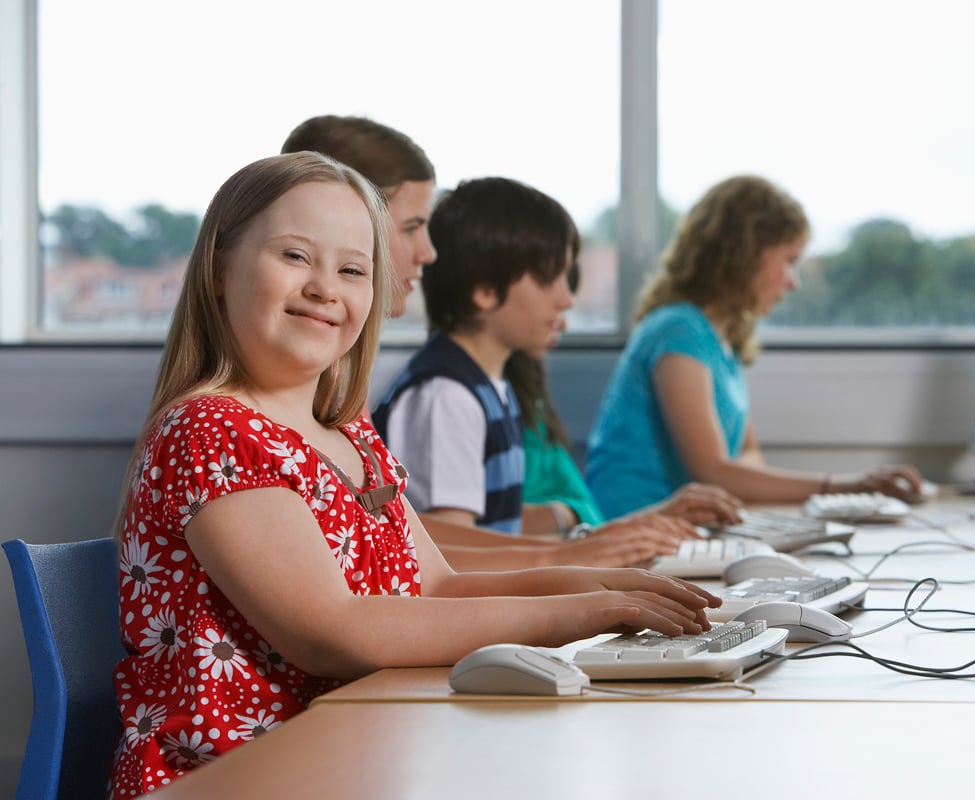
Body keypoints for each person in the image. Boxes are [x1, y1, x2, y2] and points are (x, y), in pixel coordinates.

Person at [107, 152, 718, 797]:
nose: (324, 287)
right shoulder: (212, 430)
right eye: (293, 256)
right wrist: (568, 615)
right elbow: (330, 631)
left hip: (357, 755)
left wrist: (603, 587)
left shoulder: (351, 435)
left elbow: (437, 590)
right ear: (220, 269)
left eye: (352, 269)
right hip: (239, 776)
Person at [281, 114, 706, 568]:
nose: (429, 252)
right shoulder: (440, 392)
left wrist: (585, 543)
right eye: (411, 227)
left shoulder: (349, 383)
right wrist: (570, 556)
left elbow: (403, 532)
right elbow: (420, 550)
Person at [375, 177, 720, 543]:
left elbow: (495, 529)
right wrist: (585, 560)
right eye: (548, 280)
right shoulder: (445, 396)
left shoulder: (491, 386)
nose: (566, 299)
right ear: (485, 291)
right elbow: (457, 553)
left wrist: (627, 532)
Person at [585, 175, 925, 519]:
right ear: (745, 255)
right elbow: (714, 471)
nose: (793, 282)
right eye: (789, 260)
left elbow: (747, 457)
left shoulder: (720, 340)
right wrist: (844, 486)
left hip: (684, 529)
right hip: (632, 530)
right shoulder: (678, 330)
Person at [505, 267, 744, 532]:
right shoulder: (679, 330)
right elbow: (491, 529)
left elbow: (587, 532)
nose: (566, 306)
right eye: (547, 280)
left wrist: (653, 519)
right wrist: (566, 514)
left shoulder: (524, 392)